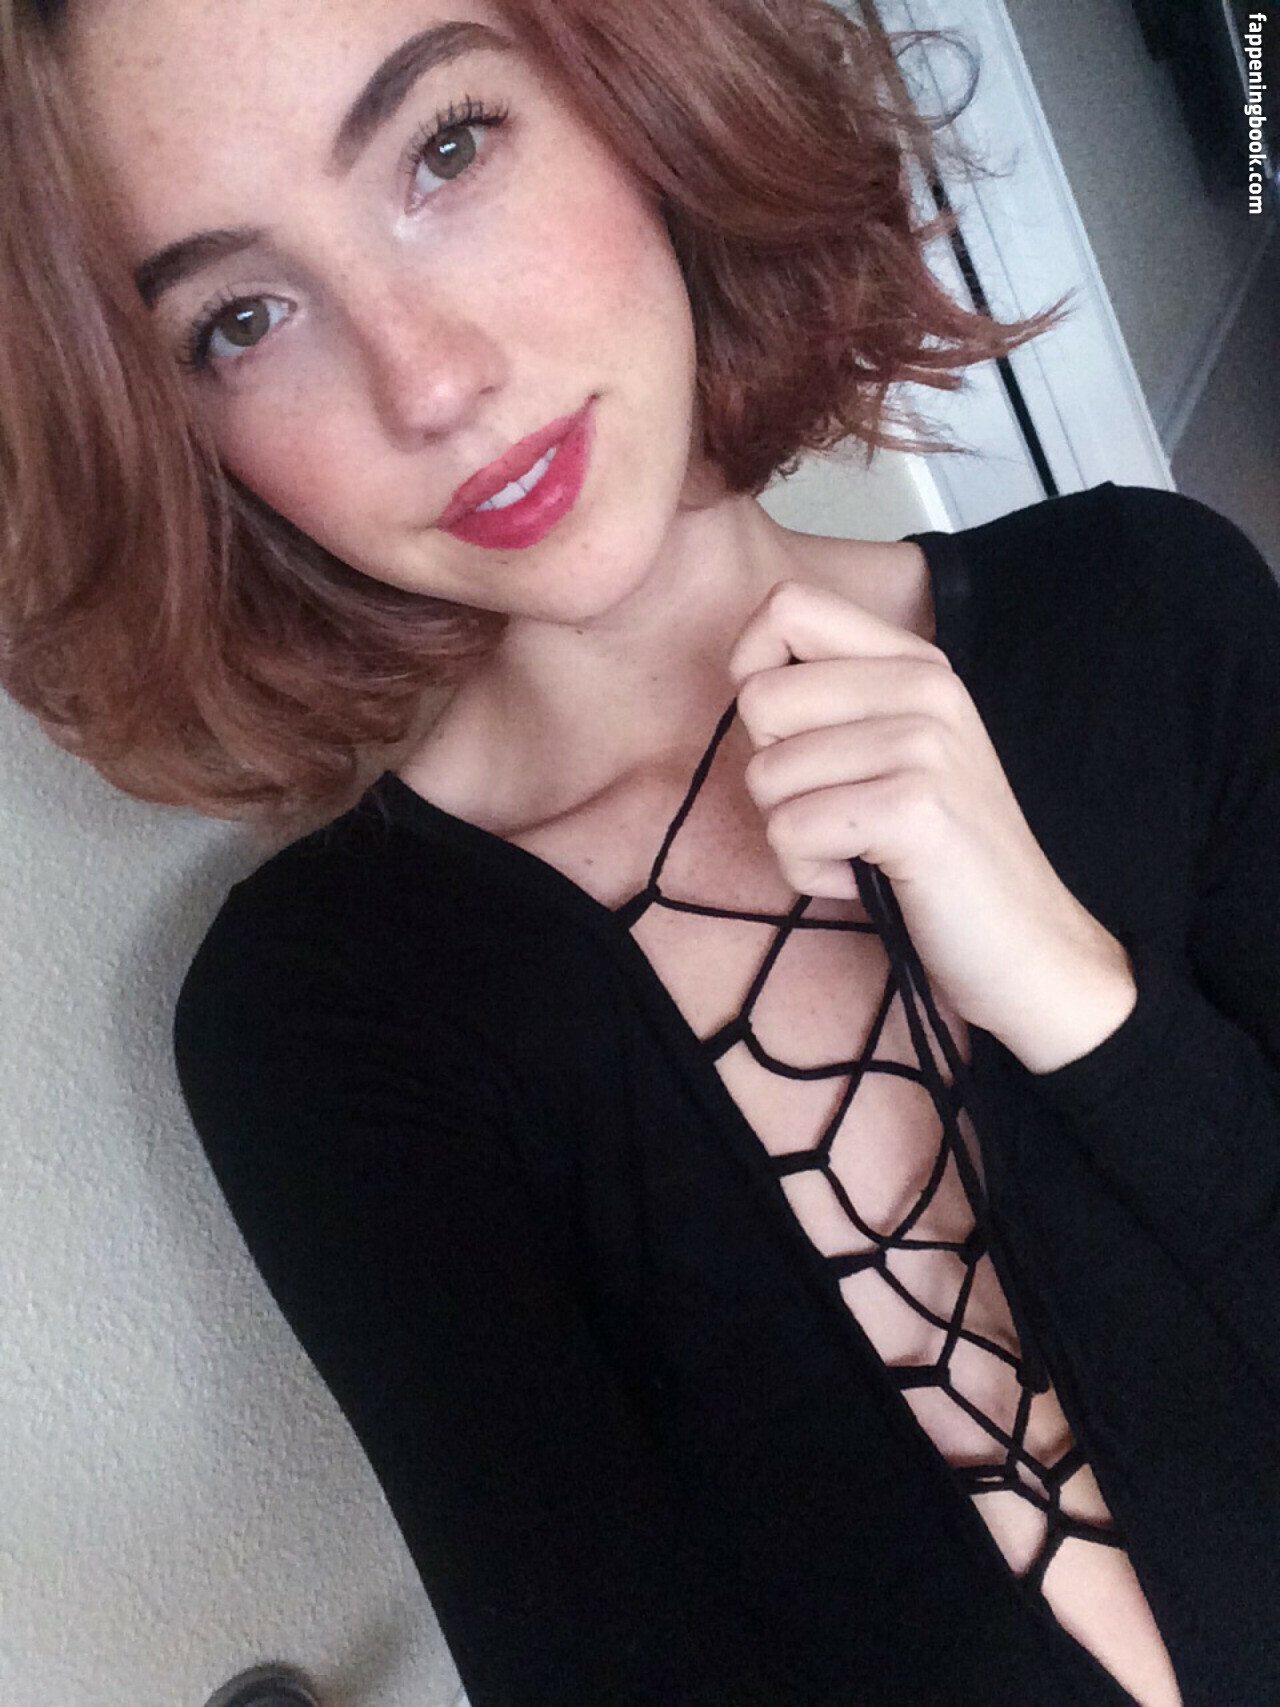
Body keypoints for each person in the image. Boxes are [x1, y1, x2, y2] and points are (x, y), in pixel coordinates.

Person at [1, 1, 1276, 1703]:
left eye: (447, 149)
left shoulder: (1150, 619)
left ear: (642, 91)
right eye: (241, 319)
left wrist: (1078, 1000)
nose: (430, 381)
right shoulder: (326, 1020)